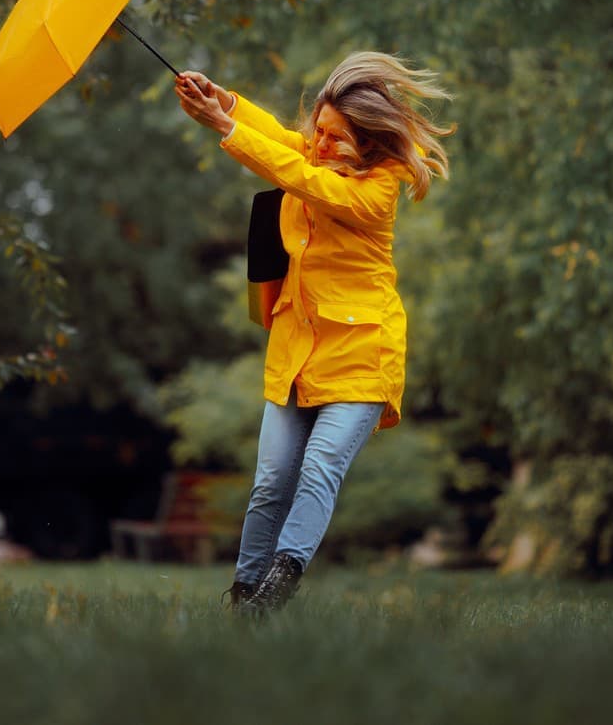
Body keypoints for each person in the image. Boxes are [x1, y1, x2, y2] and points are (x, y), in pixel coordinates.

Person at [174, 52, 455, 615]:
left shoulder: (374, 192)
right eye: (317, 132)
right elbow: (279, 139)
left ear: (366, 143)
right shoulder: (317, 154)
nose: (318, 145)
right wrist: (224, 99)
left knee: (320, 467)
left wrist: (224, 130)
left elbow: (295, 176)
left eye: (333, 138)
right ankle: (244, 597)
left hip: (361, 353)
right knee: (270, 482)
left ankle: (281, 582)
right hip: (298, 348)